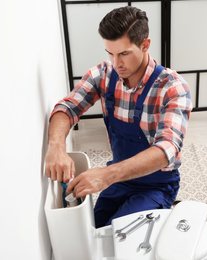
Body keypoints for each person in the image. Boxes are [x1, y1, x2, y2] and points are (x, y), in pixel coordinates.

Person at [45, 6, 192, 228]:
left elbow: (167, 149)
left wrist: (106, 175)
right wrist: (56, 147)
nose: (116, 63)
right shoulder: (103, 75)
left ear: (145, 45)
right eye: (110, 53)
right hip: (120, 181)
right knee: (94, 230)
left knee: (120, 237)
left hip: (156, 186)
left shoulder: (172, 88)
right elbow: (67, 108)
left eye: (123, 53)